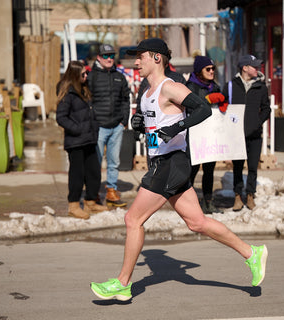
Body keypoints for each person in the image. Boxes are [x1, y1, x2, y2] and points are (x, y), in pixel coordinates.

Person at [90, 38, 268, 301]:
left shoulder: (170, 87)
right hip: (163, 162)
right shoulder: (147, 92)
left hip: (171, 163)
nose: (136, 62)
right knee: (197, 223)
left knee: (133, 220)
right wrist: (139, 124)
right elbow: (149, 124)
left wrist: (175, 128)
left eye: (141, 57)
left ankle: (122, 283)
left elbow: (202, 109)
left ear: (157, 58)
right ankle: (252, 253)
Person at [56, 61, 108, 219]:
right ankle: (73, 205)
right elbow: (61, 117)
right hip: (76, 141)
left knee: (93, 172)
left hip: (89, 139)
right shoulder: (68, 94)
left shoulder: (84, 90)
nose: (86, 76)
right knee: (77, 174)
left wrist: (95, 126)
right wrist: (78, 129)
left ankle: (90, 202)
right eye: (83, 74)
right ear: (74, 76)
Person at [222, 54, 271, 211]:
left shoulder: (261, 87)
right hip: (236, 136)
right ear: (244, 68)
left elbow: (266, 109)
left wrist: (257, 123)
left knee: (252, 167)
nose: (257, 69)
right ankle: (238, 196)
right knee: (237, 167)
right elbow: (222, 107)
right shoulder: (230, 86)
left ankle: (250, 195)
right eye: (254, 66)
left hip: (255, 135)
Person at [87, 44, 131, 207]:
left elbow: (126, 99)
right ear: (98, 57)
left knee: (114, 161)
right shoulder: (92, 77)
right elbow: (87, 100)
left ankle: (111, 190)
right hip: (98, 127)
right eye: (105, 56)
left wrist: (123, 121)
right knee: (95, 162)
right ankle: (94, 192)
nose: (109, 59)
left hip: (116, 126)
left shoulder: (119, 77)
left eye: (111, 55)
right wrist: (92, 122)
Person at [186, 55, 223, 214]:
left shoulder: (214, 86)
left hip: (210, 135)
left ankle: (208, 201)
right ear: (199, 71)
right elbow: (189, 108)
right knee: (191, 171)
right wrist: (206, 100)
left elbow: (219, 109)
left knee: (209, 171)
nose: (211, 71)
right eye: (208, 69)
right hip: (194, 136)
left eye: (213, 69)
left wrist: (223, 102)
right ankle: (188, 204)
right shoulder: (190, 87)